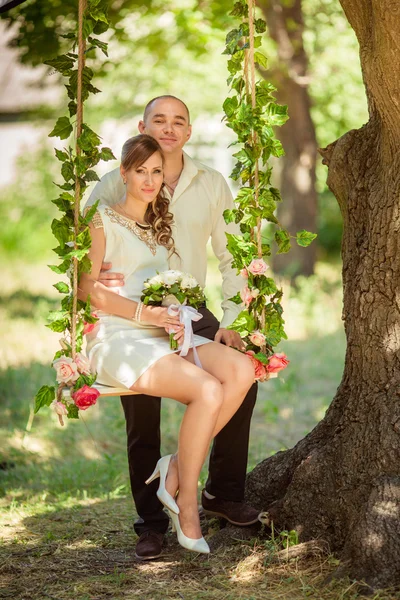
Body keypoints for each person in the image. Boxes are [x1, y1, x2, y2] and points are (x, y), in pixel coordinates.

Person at [85, 95, 260, 561]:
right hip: (130, 315)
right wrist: (106, 284)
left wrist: (233, 320)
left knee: (241, 375)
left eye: (178, 121)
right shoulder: (108, 187)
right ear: (142, 128)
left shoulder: (209, 183)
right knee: (144, 412)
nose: (168, 127)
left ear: (188, 131)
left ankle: (212, 488)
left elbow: (232, 255)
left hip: (186, 306)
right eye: (158, 120)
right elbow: (83, 260)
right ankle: (152, 522)